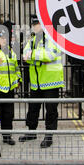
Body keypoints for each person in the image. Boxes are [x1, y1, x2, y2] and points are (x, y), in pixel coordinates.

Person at [19, 15, 64, 148]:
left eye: (37, 24)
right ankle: (31, 132)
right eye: (33, 24)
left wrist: (33, 55)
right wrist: (37, 56)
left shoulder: (53, 39)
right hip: (36, 82)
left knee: (50, 110)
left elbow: (50, 56)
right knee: (33, 108)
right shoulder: (32, 40)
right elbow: (24, 55)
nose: (34, 26)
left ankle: (48, 136)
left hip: (51, 81)